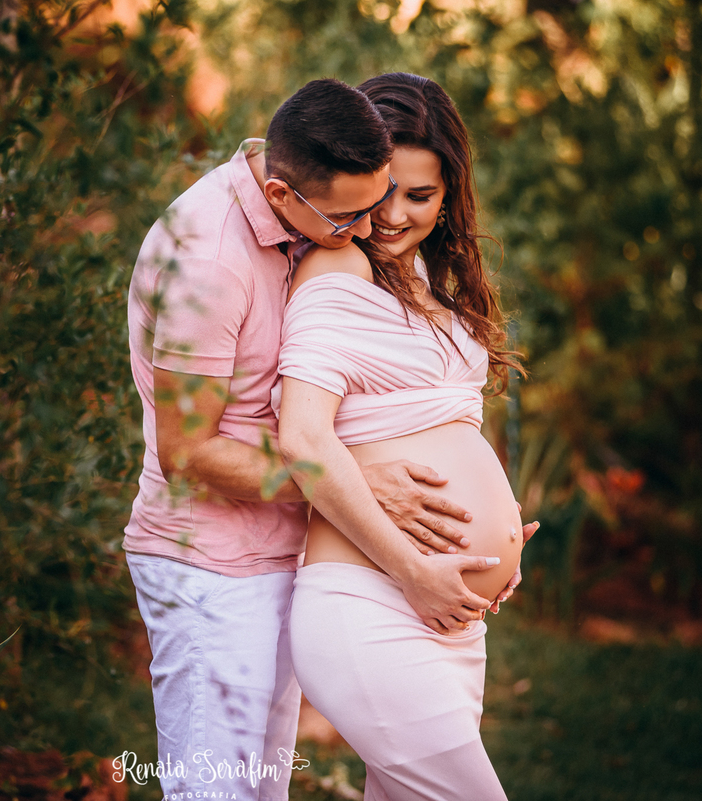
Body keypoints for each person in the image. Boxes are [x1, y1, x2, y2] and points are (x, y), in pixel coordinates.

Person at [124, 78, 520, 801]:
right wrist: (359, 481)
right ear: (281, 195)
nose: (372, 228)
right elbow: (188, 450)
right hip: (214, 565)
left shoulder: (309, 221)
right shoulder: (209, 262)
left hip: (288, 552)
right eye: (353, 215)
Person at [277, 72, 536, 800]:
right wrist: (414, 569)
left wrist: (499, 530)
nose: (393, 215)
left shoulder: (431, 279)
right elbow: (302, 438)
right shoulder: (336, 266)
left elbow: (435, 426)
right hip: (372, 601)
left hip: (452, 621)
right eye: (383, 190)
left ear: (450, 195)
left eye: (419, 196)